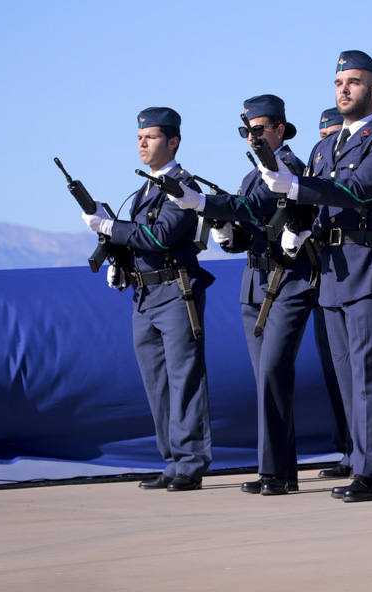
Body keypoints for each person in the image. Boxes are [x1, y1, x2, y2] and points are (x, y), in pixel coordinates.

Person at [259, 50, 372, 502]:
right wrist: (295, 220)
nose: (343, 89)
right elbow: (313, 203)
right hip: (331, 271)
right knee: (349, 381)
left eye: (353, 81)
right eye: (338, 82)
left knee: (371, 375)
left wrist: (295, 187)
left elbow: (359, 189)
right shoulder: (324, 147)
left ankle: (369, 473)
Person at [169, 95, 316, 495]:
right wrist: (225, 232)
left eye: (259, 130)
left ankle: (273, 472)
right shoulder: (253, 173)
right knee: (266, 380)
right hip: (255, 283)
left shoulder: (289, 168)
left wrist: (202, 202)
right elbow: (249, 228)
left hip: (288, 282)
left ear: (280, 130)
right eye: (246, 132)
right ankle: (283, 472)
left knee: (272, 374)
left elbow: (252, 206)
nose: (252, 138)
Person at [82, 106, 213, 491]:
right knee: (157, 382)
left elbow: (159, 237)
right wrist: (118, 260)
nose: (142, 142)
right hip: (144, 294)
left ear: (173, 142)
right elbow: (139, 239)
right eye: (140, 136)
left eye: (151, 137)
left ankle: (191, 463)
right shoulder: (144, 187)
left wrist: (109, 226)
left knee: (184, 378)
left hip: (176, 291)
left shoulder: (182, 187)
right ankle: (172, 460)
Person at [309, 107, 354, 477]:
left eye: (337, 134)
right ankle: (350, 449)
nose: (331, 141)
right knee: (337, 370)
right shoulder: (319, 157)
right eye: (325, 136)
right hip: (325, 273)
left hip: (356, 267)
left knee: (362, 371)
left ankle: (367, 455)